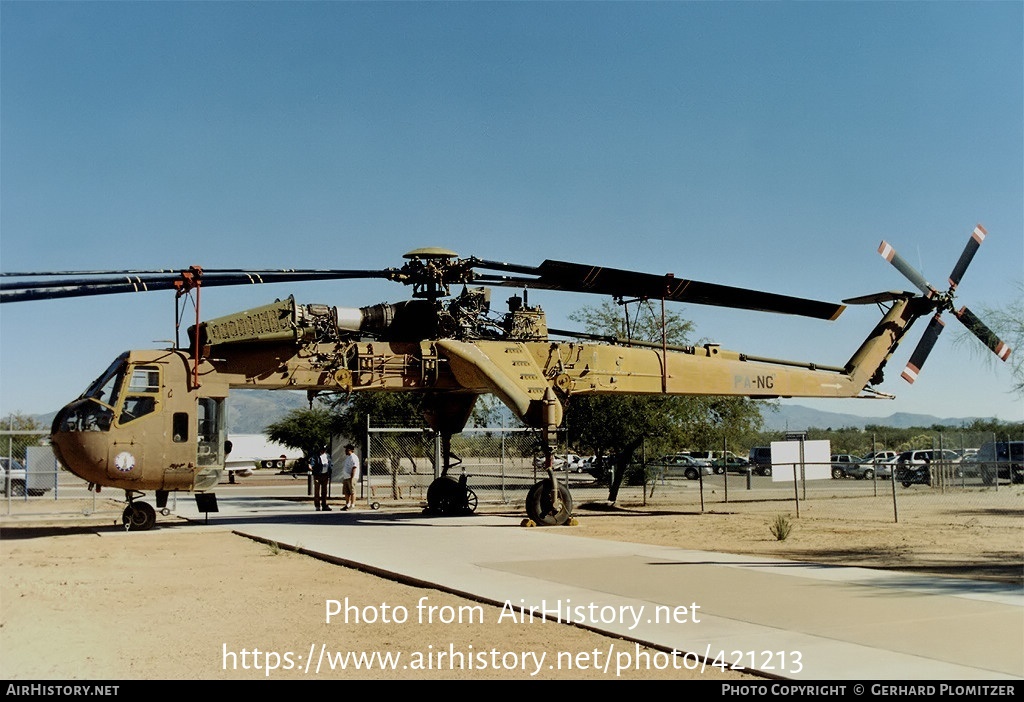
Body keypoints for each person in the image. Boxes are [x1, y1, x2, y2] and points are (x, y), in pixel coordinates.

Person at [310, 446, 332, 511]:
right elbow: (312, 463)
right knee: (317, 491)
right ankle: (317, 505)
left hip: (325, 475)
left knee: (324, 491)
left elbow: (330, 464)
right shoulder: (316, 456)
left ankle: (324, 505)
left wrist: (330, 471)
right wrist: (311, 467)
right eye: (322, 450)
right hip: (318, 475)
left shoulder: (327, 456)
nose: (323, 451)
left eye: (324, 450)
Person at [340, 443, 360, 510]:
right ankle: (347, 504)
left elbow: (354, 467)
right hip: (346, 477)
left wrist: (352, 477)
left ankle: (352, 505)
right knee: (346, 492)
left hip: (351, 477)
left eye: (346, 449)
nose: (345, 451)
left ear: (349, 450)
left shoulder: (353, 457)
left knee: (352, 491)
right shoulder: (348, 457)